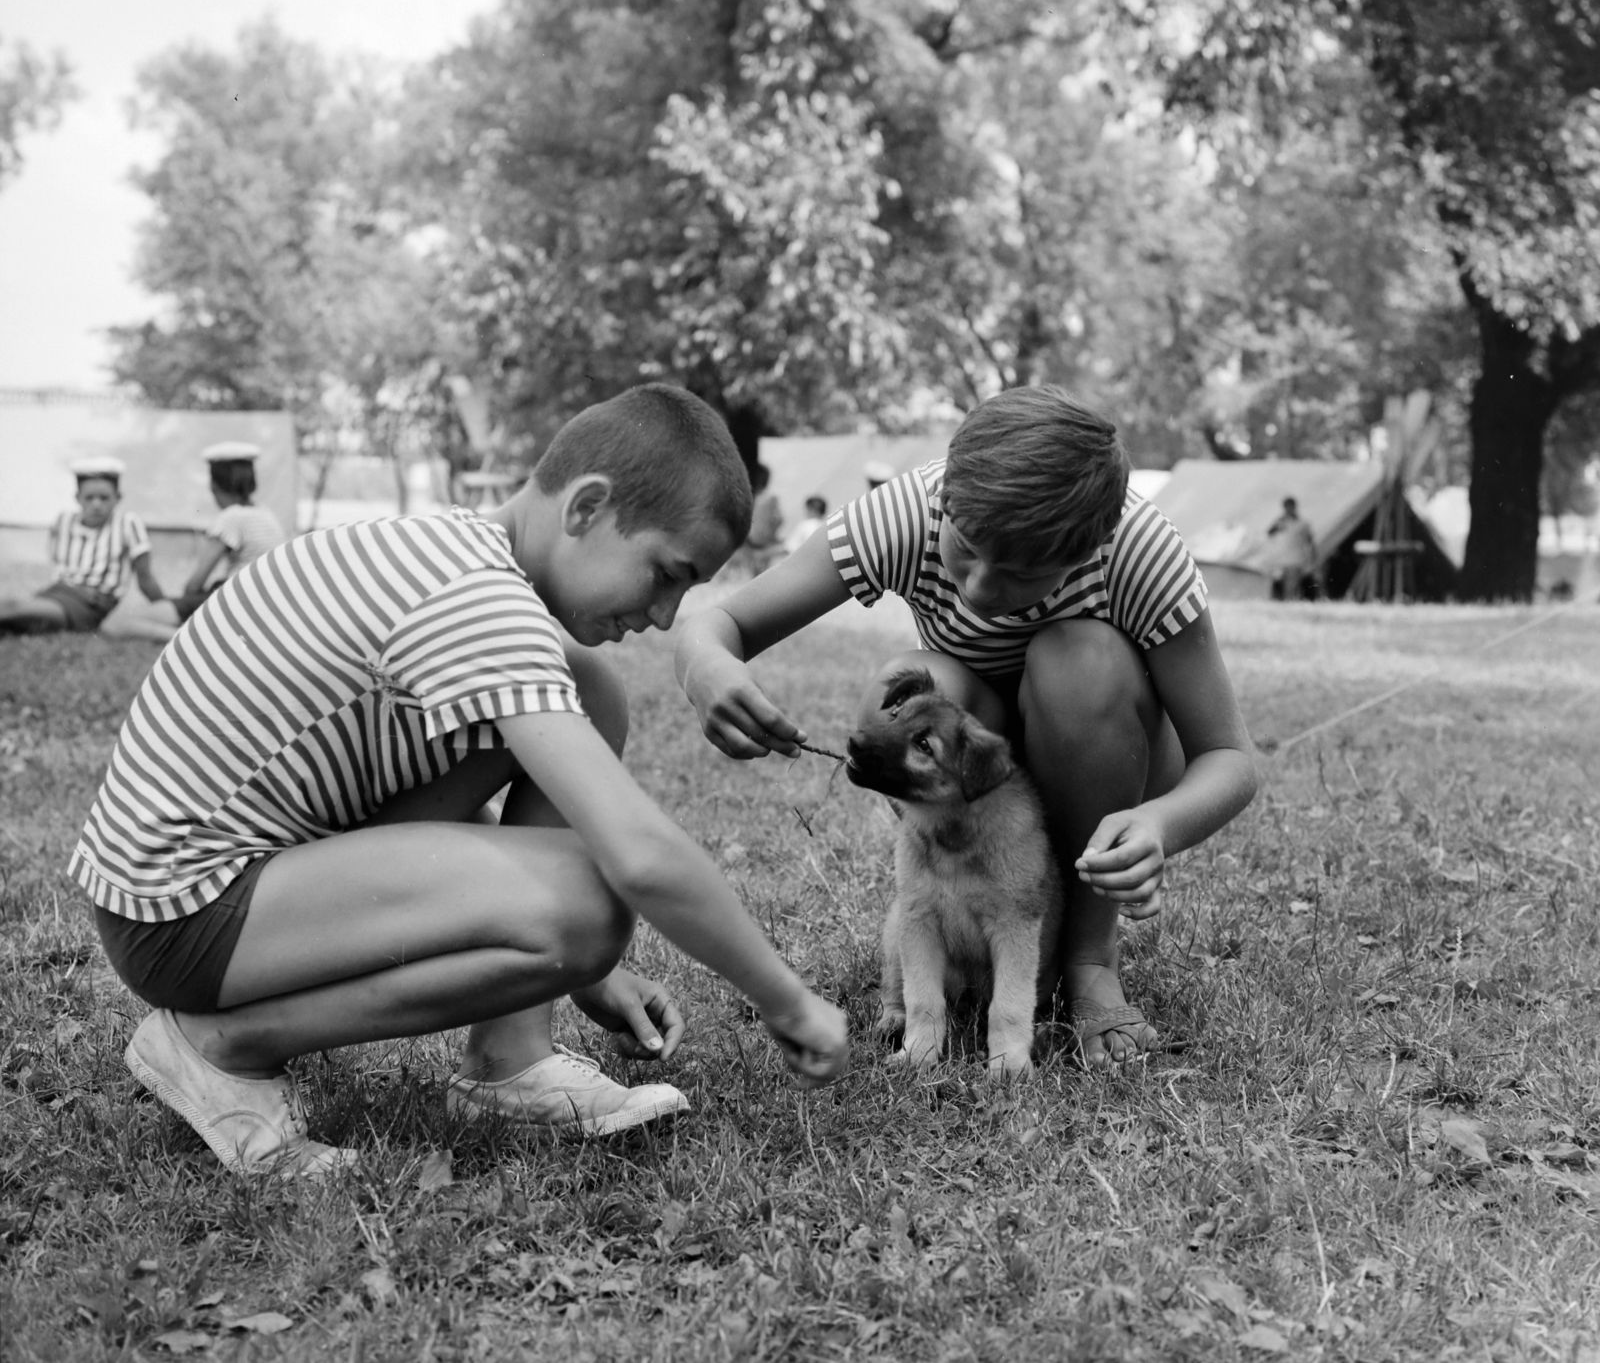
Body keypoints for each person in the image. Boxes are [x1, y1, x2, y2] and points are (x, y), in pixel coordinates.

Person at [70, 384, 848, 1178]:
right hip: (183, 914)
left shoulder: (457, 553)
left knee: (590, 691)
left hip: (220, 883)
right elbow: (639, 854)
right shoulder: (479, 601)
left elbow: (415, 808)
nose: (665, 615)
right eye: (665, 573)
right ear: (586, 507)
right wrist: (787, 999)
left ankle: (511, 1058)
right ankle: (221, 1046)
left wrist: (583, 968)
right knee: (589, 900)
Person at [675, 387, 1258, 1070]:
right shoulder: (906, 512)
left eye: (1020, 574)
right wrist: (709, 668)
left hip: (1102, 748)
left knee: (1078, 661)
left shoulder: (1140, 551)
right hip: (974, 754)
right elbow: (720, 623)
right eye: (967, 548)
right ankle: (951, 919)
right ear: (945, 499)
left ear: (1091, 549)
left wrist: (1160, 824)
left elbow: (1230, 757)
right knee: (896, 691)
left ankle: (1089, 958)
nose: (978, 587)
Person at [102, 441, 287, 643]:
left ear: (214, 486)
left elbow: (195, 583)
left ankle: (186, 640)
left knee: (115, 625)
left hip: (237, 598)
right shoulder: (265, 514)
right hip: (261, 600)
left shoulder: (231, 517)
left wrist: (181, 603)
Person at [0, 457, 166, 637]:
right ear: (77, 498)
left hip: (91, 603)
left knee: (13, 606)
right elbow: (58, 562)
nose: (96, 504)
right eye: (89, 498)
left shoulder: (127, 523)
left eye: (104, 498)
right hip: (56, 592)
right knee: (16, 617)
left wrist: (168, 610)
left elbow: (145, 579)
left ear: (118, 498)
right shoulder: (64, 521)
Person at [1264, 496, 1317, 601]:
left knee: (1291, 588)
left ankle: (1290, 603)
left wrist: (1312, 560)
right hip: (1280, 560)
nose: (1288, 510)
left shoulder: (1302, 524)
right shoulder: (1280, 522)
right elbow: (1269, 533)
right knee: (1278, 587)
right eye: (1286, 507)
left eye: (1290, 507)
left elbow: (1310, 542)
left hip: (1295, 560)